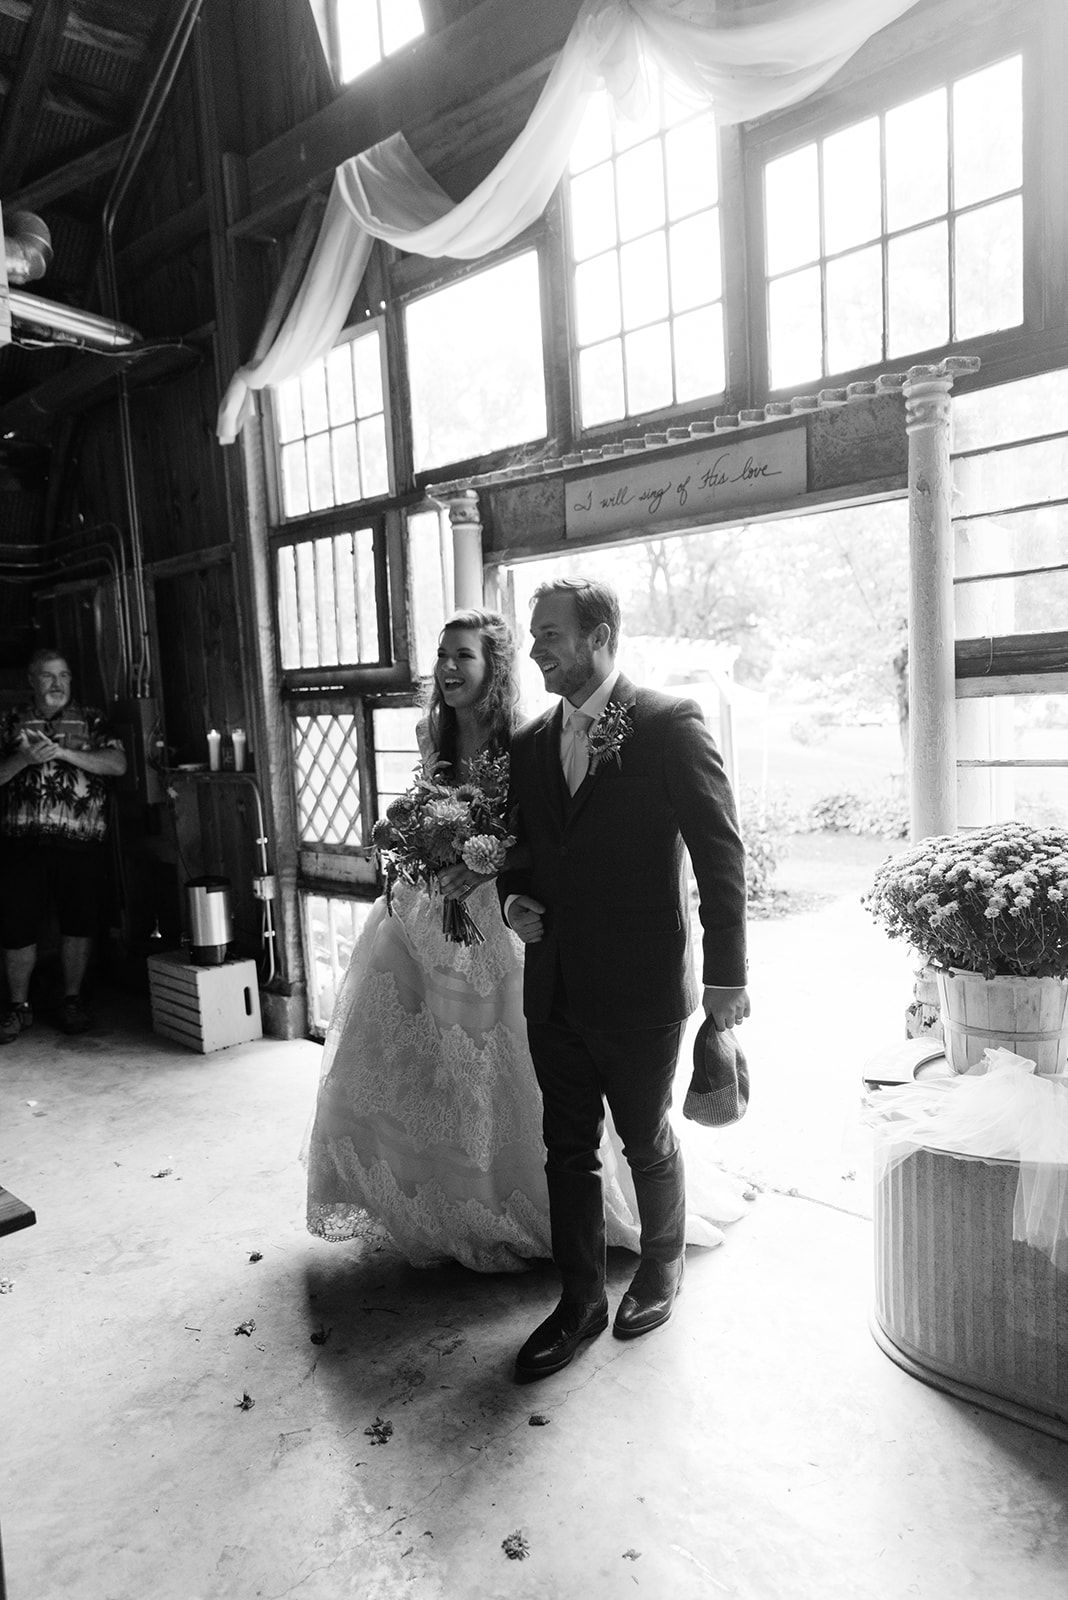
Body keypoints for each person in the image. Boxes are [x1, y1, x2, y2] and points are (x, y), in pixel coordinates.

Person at [304, 608, 647, 1271]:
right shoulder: (431, 732)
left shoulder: (521, 739)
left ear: (492, 668)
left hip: (491, 912)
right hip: (424, 910)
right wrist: (401, 828)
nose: (449, 667)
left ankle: (511, 1202)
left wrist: (484, 861)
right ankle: (425, 1203)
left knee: (494, 1065)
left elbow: (537, 834)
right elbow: (427, 803)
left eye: (465, 656)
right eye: (442, 655)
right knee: (414, 1059)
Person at [499, 577, 750, 1382]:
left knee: (643, 1135)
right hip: (555, 985)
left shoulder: (669, 725)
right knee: (565, 1146)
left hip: (642, 985)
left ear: (600, 637)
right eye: (534, 634)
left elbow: (720, 854)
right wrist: (511, 902)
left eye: (550, 634)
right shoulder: (531, 745)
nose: (535, 647)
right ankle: (579, 1301)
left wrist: (727, 975)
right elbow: (523, 852)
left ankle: (660, 1265)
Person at [0, 648, 127, 1042]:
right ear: (30, 681)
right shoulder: (9, 721)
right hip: (21, 842)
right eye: (48, 676)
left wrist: (65, 753)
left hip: (81, 841)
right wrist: (23, 759)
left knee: (80, 923)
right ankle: (18, 1008)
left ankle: (72, 1001)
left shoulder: (92, 719)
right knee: (17, 928)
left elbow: (118, 764)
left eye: (64, 676)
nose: (58, 683)